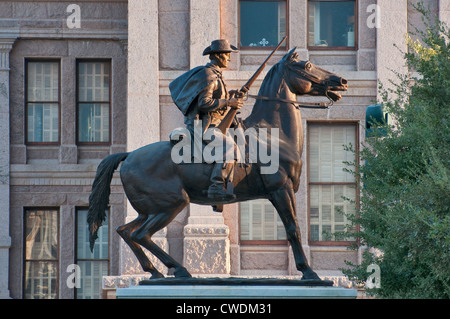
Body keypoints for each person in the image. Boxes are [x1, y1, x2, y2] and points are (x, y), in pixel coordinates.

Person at [169, 39, 244, 200]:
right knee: (230, 147)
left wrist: (229, 96)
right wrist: (228, 102)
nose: (229, 58)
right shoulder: (209, 75)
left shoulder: (215, 74)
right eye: (227, 54)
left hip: (216, 124)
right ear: (217, 56)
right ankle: (216, 185)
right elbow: (204, 103)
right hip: (206, 128)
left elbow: (215, 100)